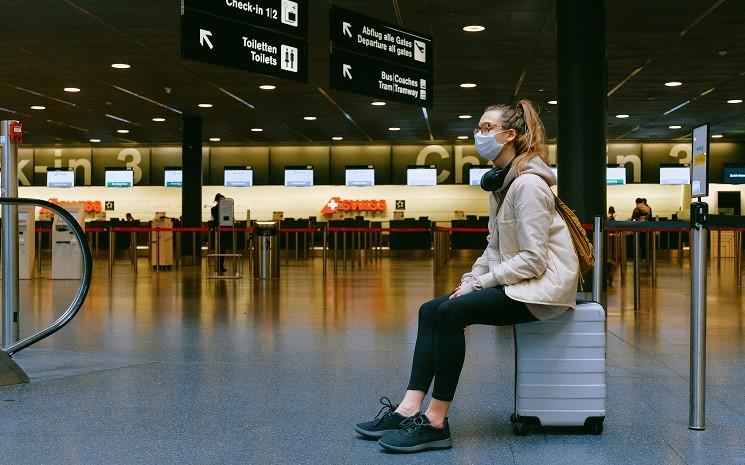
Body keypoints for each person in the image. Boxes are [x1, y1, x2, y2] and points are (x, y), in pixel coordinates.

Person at [354, 100, 580, 453]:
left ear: (510, 136)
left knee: (451, 313)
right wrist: (469, 279)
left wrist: (481, 284)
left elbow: (534, 261)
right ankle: (408, 408)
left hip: (541, 291)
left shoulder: (529, 186)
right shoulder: (502, 186)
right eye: (479, 127)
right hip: (518, 283)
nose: (479, 134)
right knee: (431, 309)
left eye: (487, 128)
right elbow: (494, 247)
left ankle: (435, 421)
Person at [210, 193, 229, 273]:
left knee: (222, 249)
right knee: (220, 249)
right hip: (219, 231)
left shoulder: (224, 209)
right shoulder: (215, 209)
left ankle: (220, 265)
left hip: (223, 231)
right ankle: (219, 265)